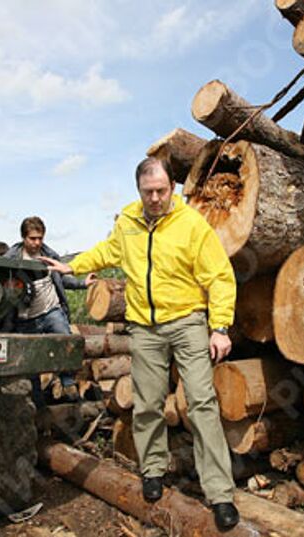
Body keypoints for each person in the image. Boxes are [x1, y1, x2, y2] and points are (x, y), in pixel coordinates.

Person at [44, 157, 240, 530]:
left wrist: (220, 327)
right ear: (139, 190)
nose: (155, 198)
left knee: (201, 404)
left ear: (171, 188)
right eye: (148, 192)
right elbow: (108, 251)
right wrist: (75, 265)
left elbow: (219, 276)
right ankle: (152, 471)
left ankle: (220, 493)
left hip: (187, 321)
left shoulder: (191, 225)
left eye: (161, 191)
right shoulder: (129, 223)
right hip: (145, 327)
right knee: (147, 403)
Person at [5, 217, 96, 404]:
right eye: (32, 238)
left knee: (64, 337)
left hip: (50, 310)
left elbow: (62, 279)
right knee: (30, 362)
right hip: (26, 318)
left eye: (40, 238)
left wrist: (82, 283)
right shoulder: (11, 259)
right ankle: (37, 402)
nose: (36, 243)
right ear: (23, 238)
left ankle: (68, 382)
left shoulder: (49, 255)